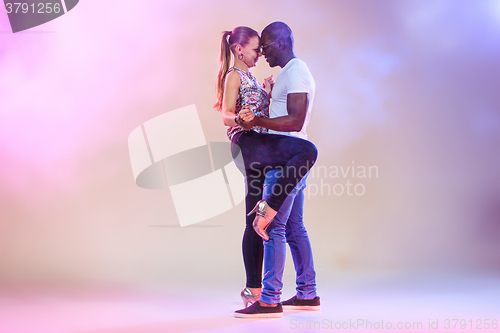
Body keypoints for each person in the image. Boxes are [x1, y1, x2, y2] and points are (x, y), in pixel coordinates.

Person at [214, 26, 318, 316]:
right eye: (256, 48)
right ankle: (268, 294)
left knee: (278, 225)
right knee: (274, 224)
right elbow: (227, 114)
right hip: (259, 147)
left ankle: (278, 295)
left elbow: (279, 116)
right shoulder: (235, 76)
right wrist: (242, 117)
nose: (261, 52)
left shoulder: (275, 75)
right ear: (239, 50)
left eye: (264, 46)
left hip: (277, 152)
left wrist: (267, 95)